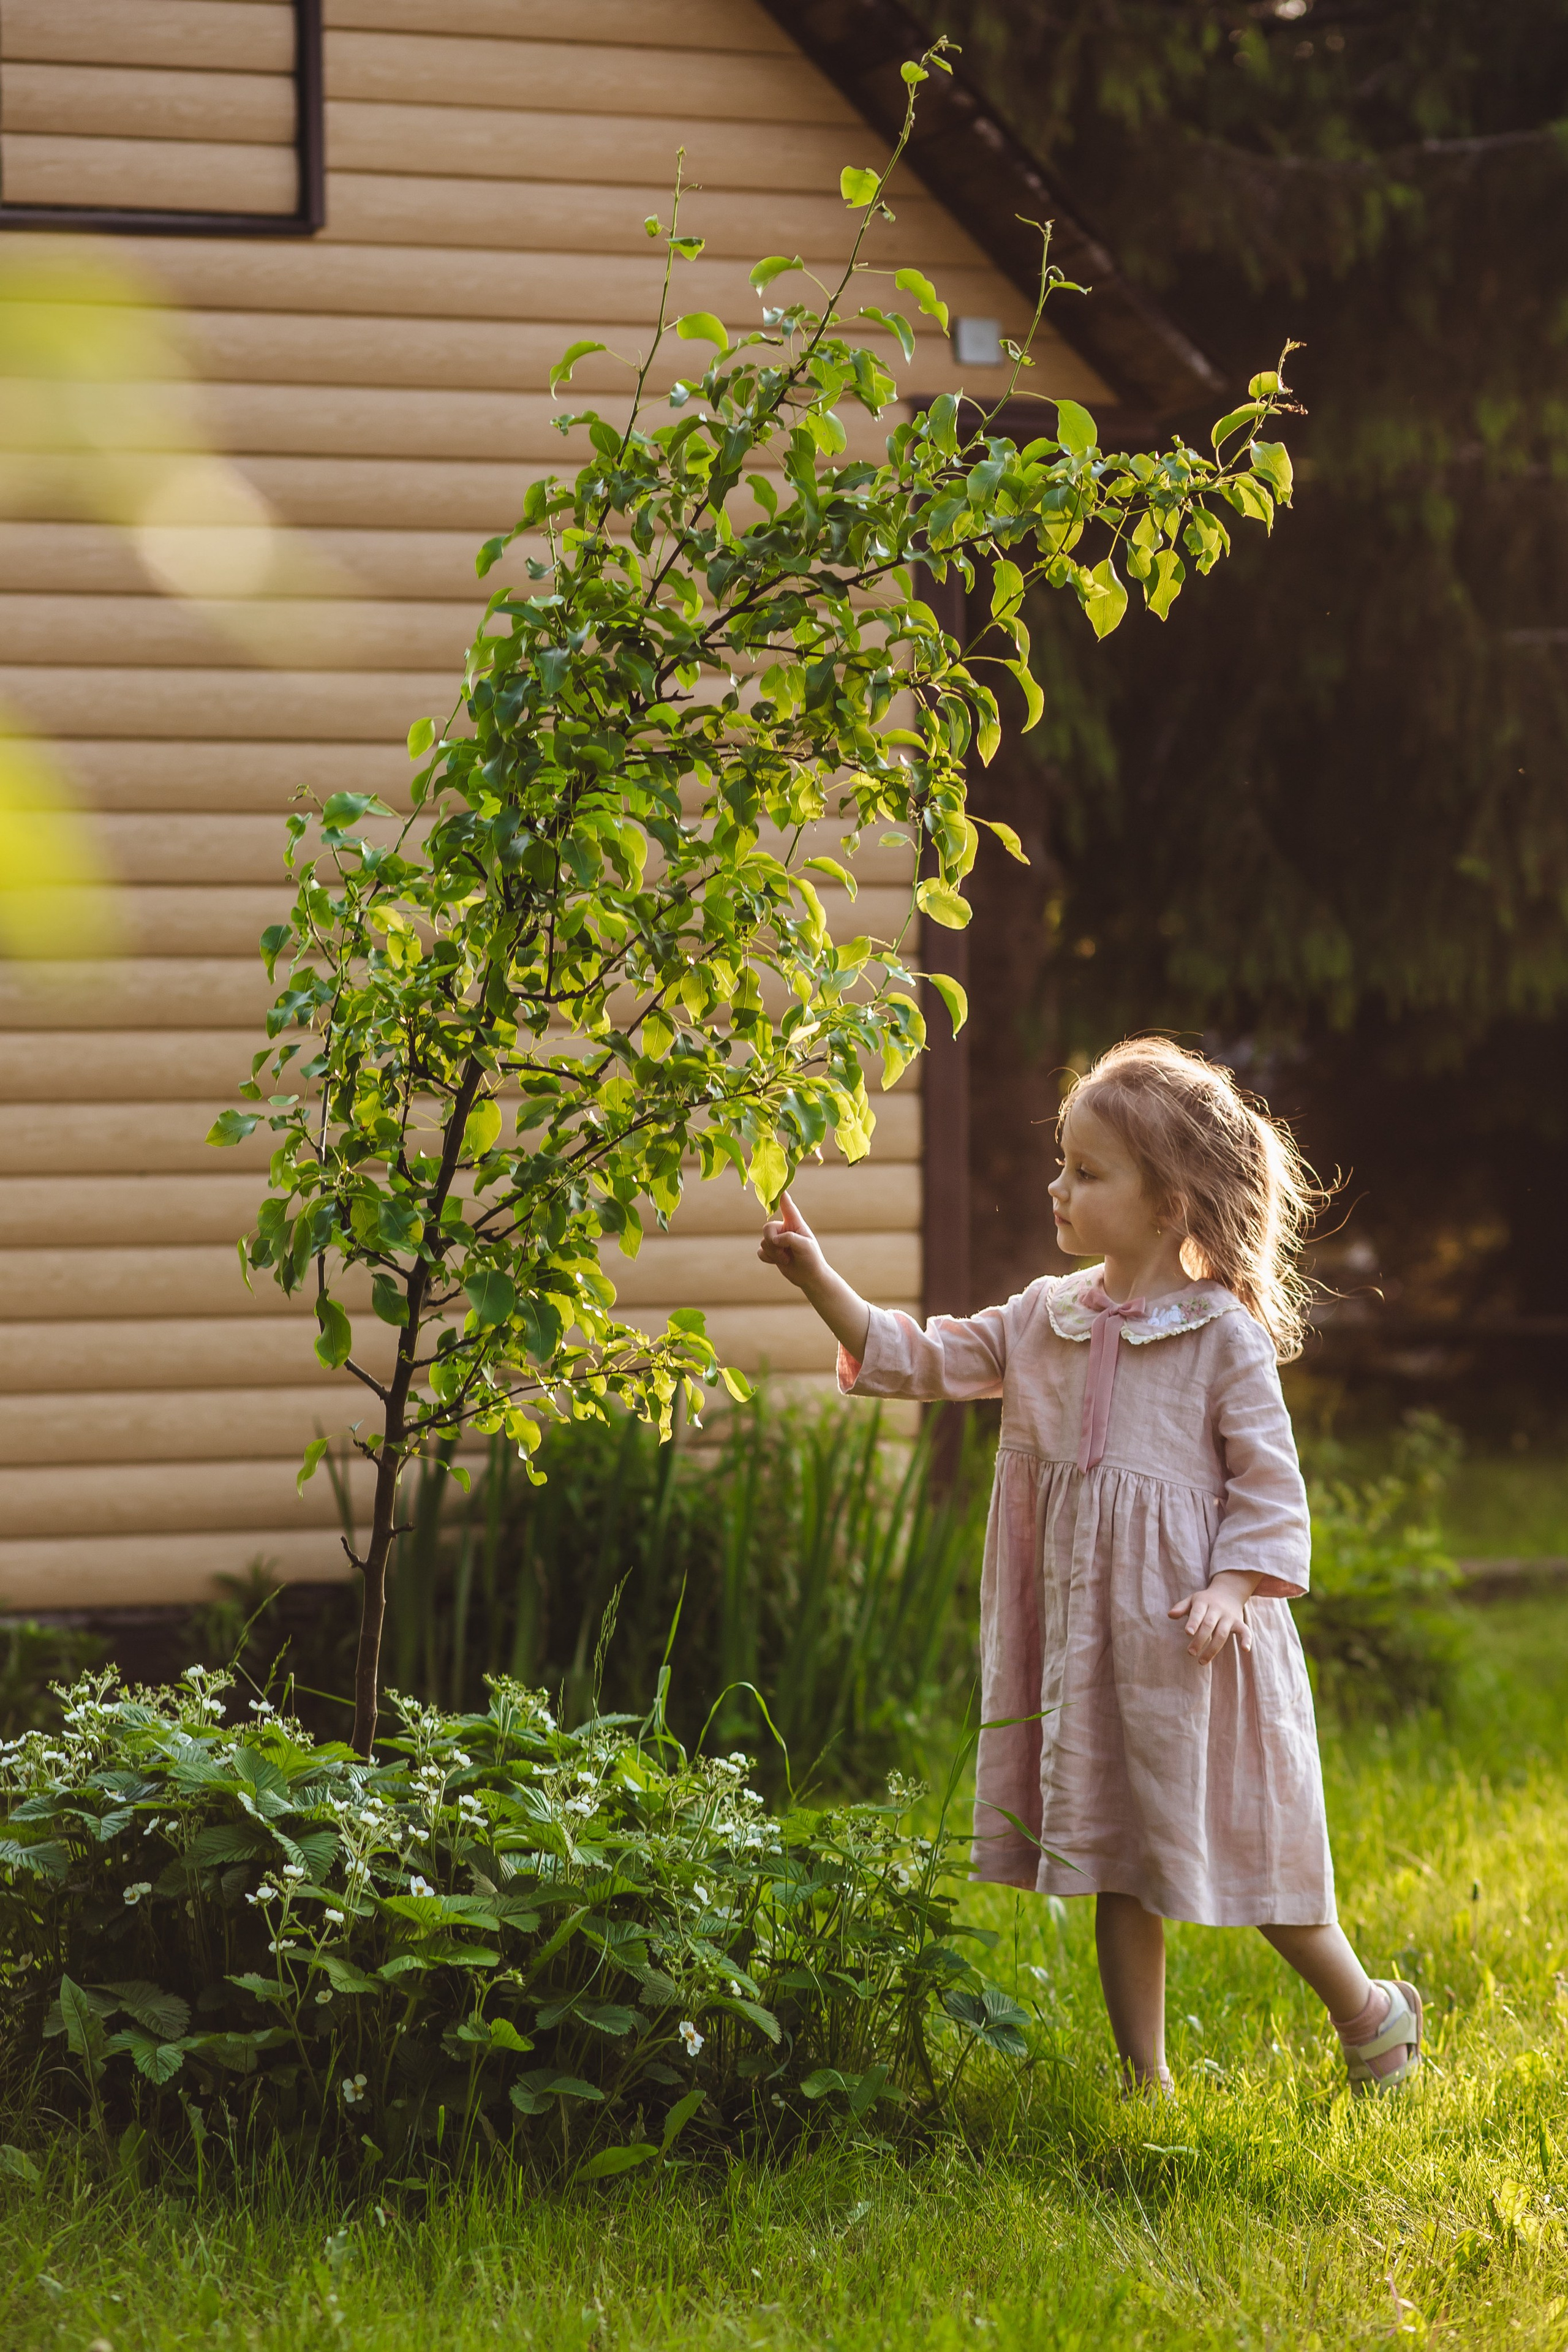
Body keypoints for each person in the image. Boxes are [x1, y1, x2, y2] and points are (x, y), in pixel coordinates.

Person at [758, 1034, 1419, 2097]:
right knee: (1115, 1855)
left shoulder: (1223, 1339)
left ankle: (1370, 2013)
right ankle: (1145, 2080)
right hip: (1094, 1646)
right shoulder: (1043, 1317)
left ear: (1169, 1205)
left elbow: (1270, 1489)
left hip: (1197, 1652)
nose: (1056, 1188)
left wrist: (1232, 1588)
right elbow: (916, 1357)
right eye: (1060, 1165)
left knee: (1258, 1859)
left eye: (1087, 1172)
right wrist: (818, 1277)